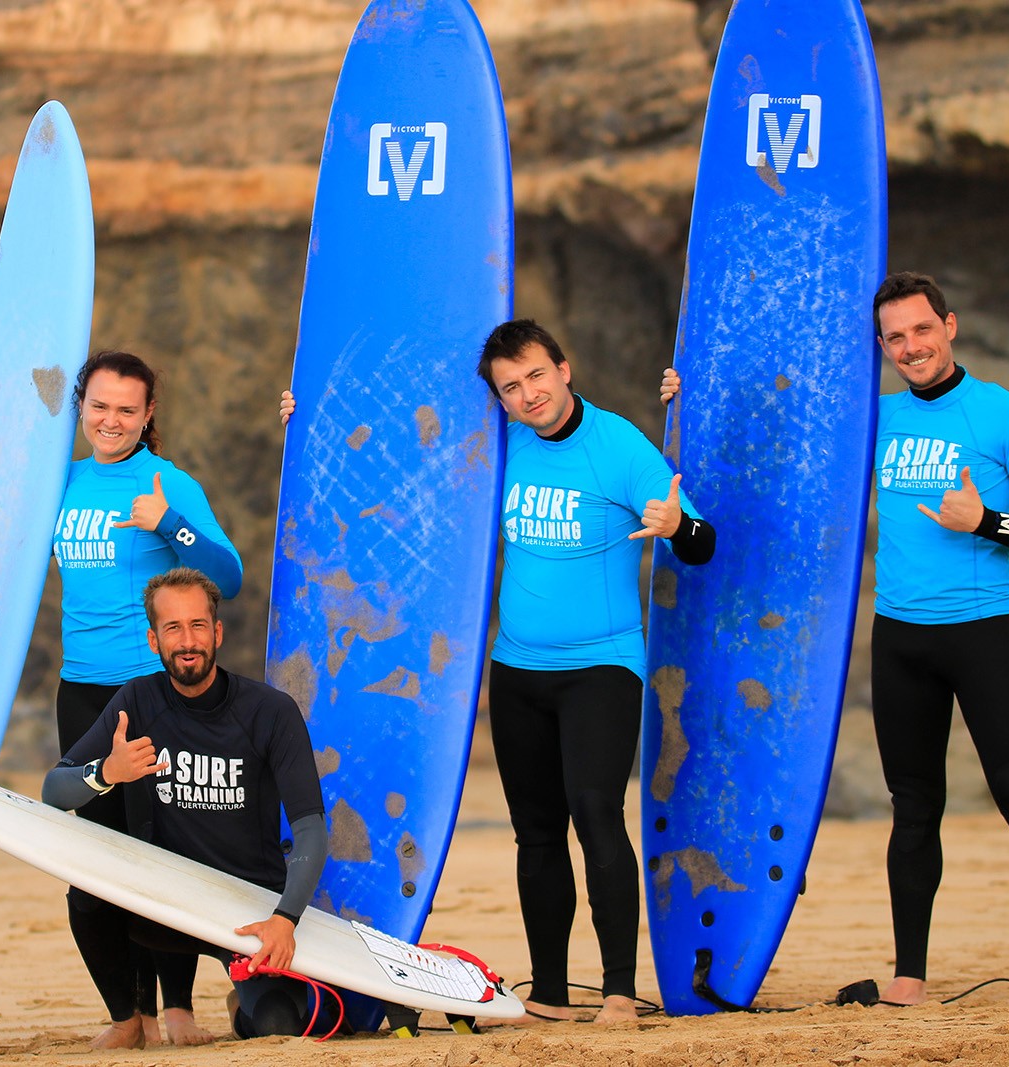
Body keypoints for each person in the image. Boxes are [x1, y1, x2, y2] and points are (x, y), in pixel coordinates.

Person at [661, 271, 1009, 1005]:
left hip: (983, 631)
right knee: (913, 805)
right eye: (894, 337)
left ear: (949, 326)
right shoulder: (872, 418)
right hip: (901, 638)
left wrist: (985, 521)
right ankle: (910, 975)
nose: (910, 346)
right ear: (883, 347)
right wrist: (689, 393)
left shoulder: (1007, 415)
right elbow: (777, 426)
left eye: (922, 330)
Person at [281, 319, 715, 1025]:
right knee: (535, 830)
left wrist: (676, 528)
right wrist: (309, 417)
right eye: (510, 387)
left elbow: (702, 541)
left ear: (564, 369)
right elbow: (393, 462)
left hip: (602, 666)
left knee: (596, 813)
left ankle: (615, 989)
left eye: (536, 376)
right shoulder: (498, 446)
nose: (528, 394)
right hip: (517, 670)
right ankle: (548, 989)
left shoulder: (619, 447)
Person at [41, 567, 328, 1039]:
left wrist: (284, 918)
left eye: (197, 626)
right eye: (173, 628)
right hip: (166, 904)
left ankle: (243, 995)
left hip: (247, 907)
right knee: (87, 891)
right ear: (154, 640)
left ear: (217, 632)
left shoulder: (270, 712)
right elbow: (54, 790)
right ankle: (127, 1019)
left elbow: (312, 828)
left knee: (277, 1025)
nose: (187, 641)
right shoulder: (137, 700)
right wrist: (107, 773)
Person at [52, 350, 244, 1047]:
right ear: (81, 407)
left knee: (165, 851)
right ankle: (124, 1015)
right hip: (81, 689)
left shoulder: (168, 483)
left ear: (148, 414)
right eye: (100, 406)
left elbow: (229, 573)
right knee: (93, 861)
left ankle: (179, 1008)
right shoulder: (61, 482)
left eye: (126, 409)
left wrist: (170, 523)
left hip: (154, 691)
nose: (111, 420)